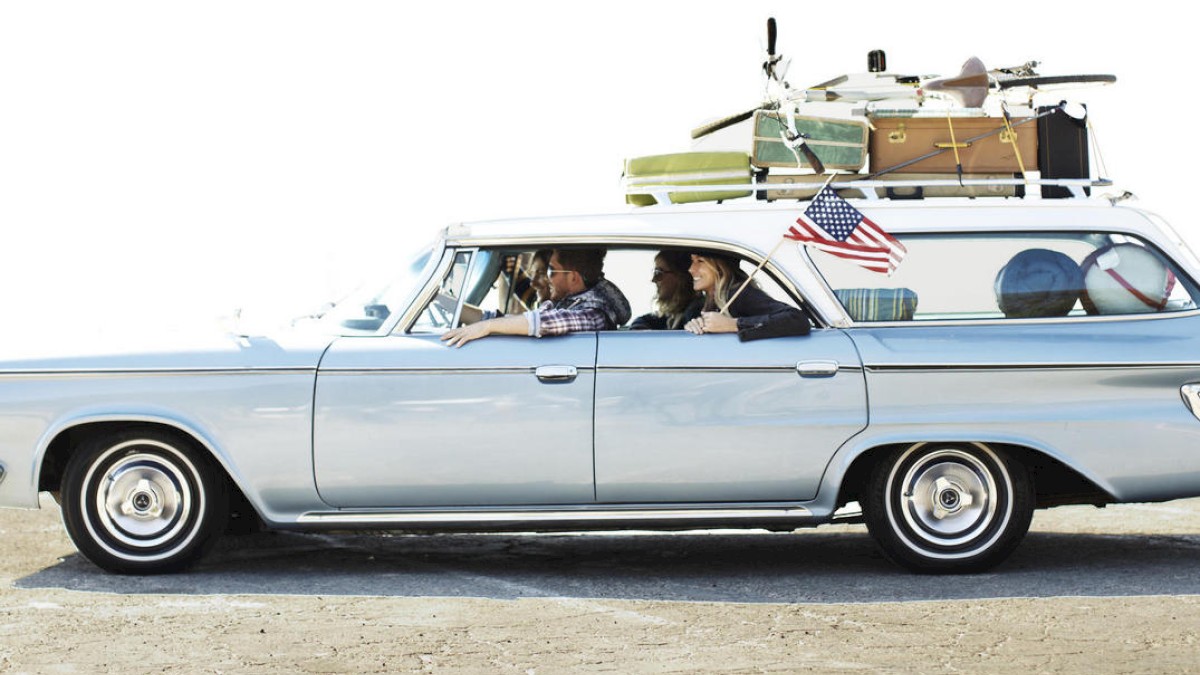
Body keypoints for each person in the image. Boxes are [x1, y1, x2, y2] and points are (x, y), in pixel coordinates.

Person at [441, 248, 631, 347]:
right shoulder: (569, 304)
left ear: (573, 277)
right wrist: (443, 301)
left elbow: (545, 322)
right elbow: (508, 320)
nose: (546, 278)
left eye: (551, 270)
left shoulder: (594, 315)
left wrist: (487, 327)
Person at [683, 251, 811, 340]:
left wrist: (733, 324)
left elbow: (797, 319)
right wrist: (696, 326)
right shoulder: (707, 302)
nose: (691, 269)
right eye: (692, 261)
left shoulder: (739, 294)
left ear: (720, 266)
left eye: (700, 261)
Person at [630, 250, 704, 330]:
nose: (654, 280)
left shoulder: (693, 313)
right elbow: (650, 320)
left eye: (658, 273)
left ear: (680, 277)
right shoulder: (677, 312)